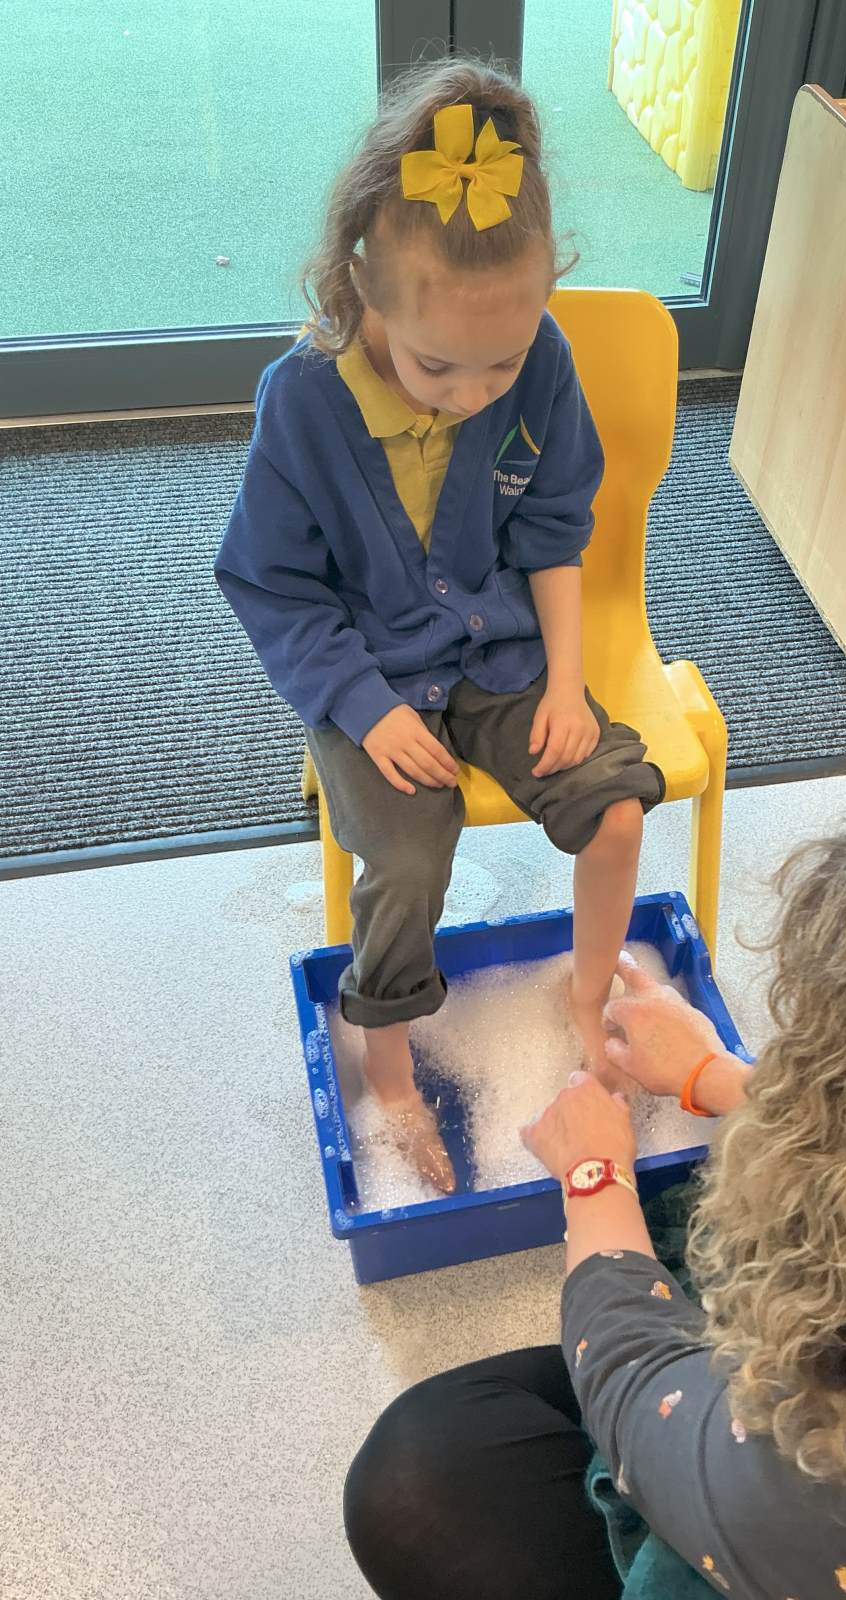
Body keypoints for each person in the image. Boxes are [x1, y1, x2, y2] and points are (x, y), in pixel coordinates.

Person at [343, 811, 846, 1598]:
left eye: (816, 1061)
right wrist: (714, 1076)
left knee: (416, 1480)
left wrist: (594, 1177)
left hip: (802, 1531)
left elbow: (641, 1391)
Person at [215, 61, 662, 1192]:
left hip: (502, 656)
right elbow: (273, 586)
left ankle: (586, 998)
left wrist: (569, 683)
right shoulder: (302, 402)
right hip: (366, 676)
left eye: (500, 363)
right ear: (361, 283)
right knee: (410, 859)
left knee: (615, 807)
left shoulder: (542, 363)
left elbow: (555, 529)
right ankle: (389, 1062)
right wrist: (364, 710)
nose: (471, 394)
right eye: (436, 365)